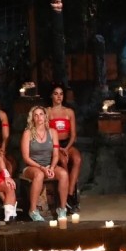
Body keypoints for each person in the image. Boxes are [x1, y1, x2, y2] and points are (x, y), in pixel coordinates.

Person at [20, 105, 69, 221]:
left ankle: (62, 209)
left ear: (45, 116)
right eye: (36, 115)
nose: (39, 117)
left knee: (64, 174)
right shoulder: (27, 133)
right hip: (32, 166)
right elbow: (26, 158)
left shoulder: (52, 132)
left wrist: (51, 167)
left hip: (48, 165)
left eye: (41, 114)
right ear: (32, 118)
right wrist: (42, 168)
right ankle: (33, 210)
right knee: (39, 174)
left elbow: (56, 155)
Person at [46, 83, 83, 212]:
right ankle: (64, 196)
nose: (59, 96)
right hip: (54, 145)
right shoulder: (47, 112)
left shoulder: (69, 112)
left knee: (77, 159)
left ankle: (70, 194)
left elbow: (73, 135)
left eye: (61, 94)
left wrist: (66, 148)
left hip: (67, 144)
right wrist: (58, 148)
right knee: (63, 161)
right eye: (56, 94)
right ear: (51, 96)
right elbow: (46, 134)